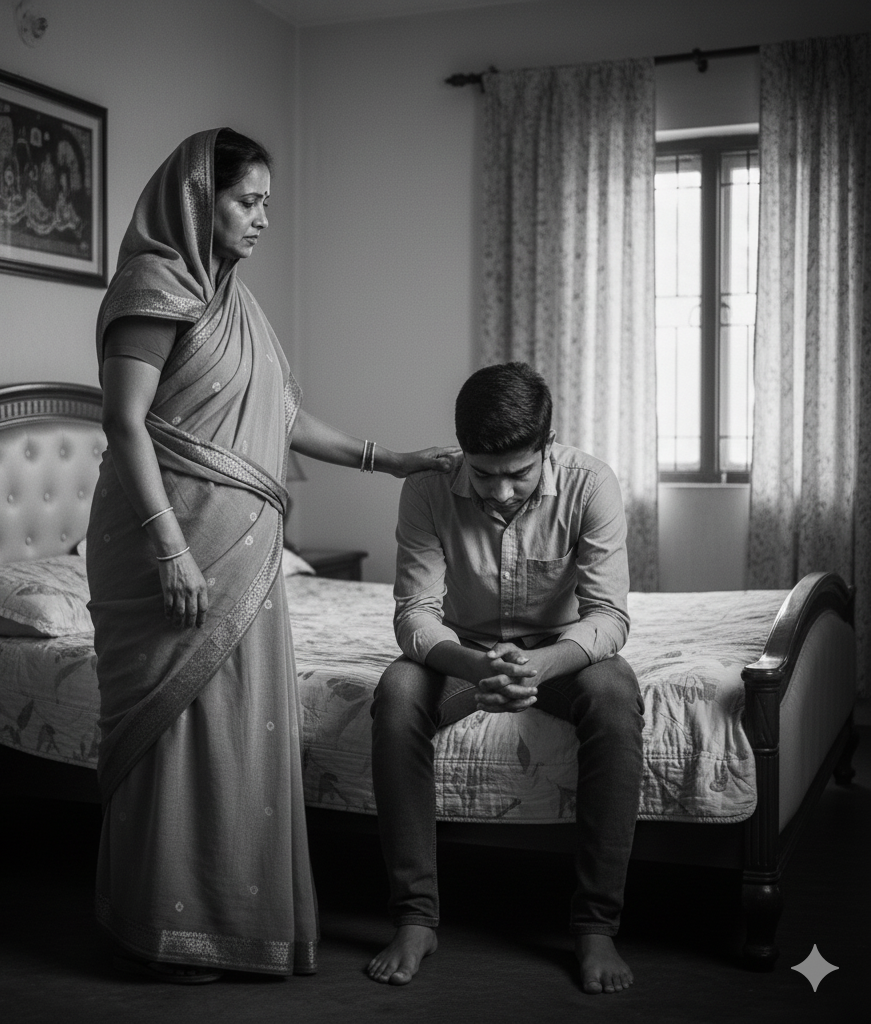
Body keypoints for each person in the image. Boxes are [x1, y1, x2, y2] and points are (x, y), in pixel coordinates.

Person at [85, 127, 458, 983]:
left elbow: (285, 417)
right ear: (196, 202)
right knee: (181, 732)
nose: (261, 219)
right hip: (168, 544)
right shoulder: (153, 286)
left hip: (243, 552)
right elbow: (123, 422)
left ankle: (231, 920)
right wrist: (170, 549)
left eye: (266, 203)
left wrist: (388, 458)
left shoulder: (234, 301)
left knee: (237, 728)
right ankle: (163, 926)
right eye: (246, 202)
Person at [366, 362, 644, 995]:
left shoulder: (591, 484)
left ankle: (595, 926)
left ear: (547, 446)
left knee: (615, 695)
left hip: (559, 649)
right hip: (465, 649)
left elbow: (609, 616)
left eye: (518, 473)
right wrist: (474, 666)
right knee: (398, 693)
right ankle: (415, 918)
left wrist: (541, 665)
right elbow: (414, 614)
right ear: (462, 449)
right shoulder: (427, 488)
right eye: (484, 473)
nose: (499, 490)